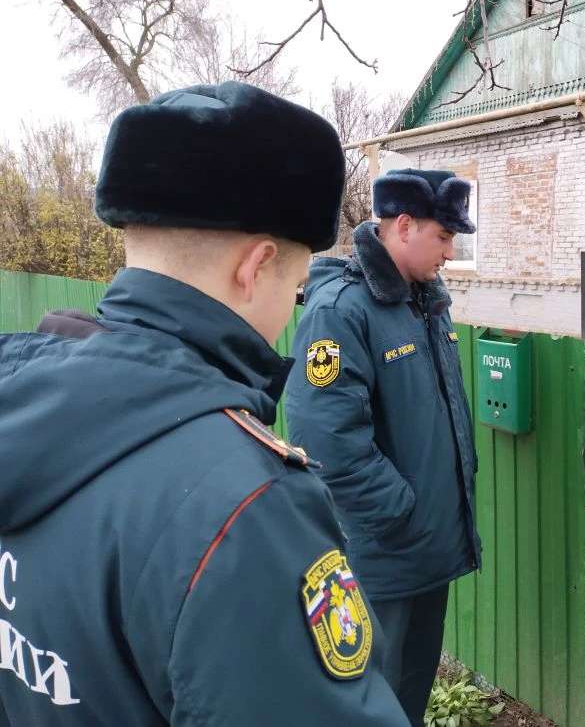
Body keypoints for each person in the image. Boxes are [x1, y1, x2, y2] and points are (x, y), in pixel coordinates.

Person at [0, 82, 407, 726]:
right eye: (298, 286)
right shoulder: (245, 504)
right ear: (256, 266)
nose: (293, 309)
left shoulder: (23, 401)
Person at [285, 168, 480, 726]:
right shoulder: (341, 309)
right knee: (372, 698)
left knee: (411, 691)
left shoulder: (426, 301)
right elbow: (326, 440)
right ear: (404, 226)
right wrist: (401, 513)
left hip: (429, 546)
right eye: (444, 236)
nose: (451, 252)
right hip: (384, 553)